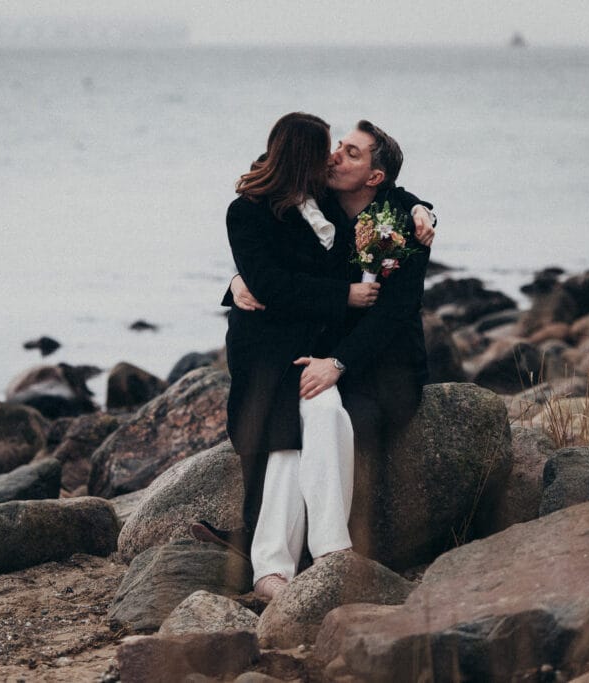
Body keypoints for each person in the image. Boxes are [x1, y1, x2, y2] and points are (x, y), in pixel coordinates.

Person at [230, 119, 435, 562]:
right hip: (318, 355)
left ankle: (306, 552)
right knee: (287, 413)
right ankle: (278, 546)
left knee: (324, 421)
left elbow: (393, 315)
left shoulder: (400, 226)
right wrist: (236, 281)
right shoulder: (317, 200)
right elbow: (268, 240)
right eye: (339, 145)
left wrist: (338, 364)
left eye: (350, 153)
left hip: (381, 370)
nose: (335, 156)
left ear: (374, 177)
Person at [217, 112, 387, 599]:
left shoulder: (328, 202)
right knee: (287, 438)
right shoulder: (247, 210)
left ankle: (322, 553)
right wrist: (343, 295)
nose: (333, 156)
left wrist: (423, 214)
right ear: (303, 155)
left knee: (324, 415)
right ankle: (281, 566)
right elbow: (269, 282)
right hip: (266, 352)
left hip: (314, 351)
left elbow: (393, 198)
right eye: (327, 147)